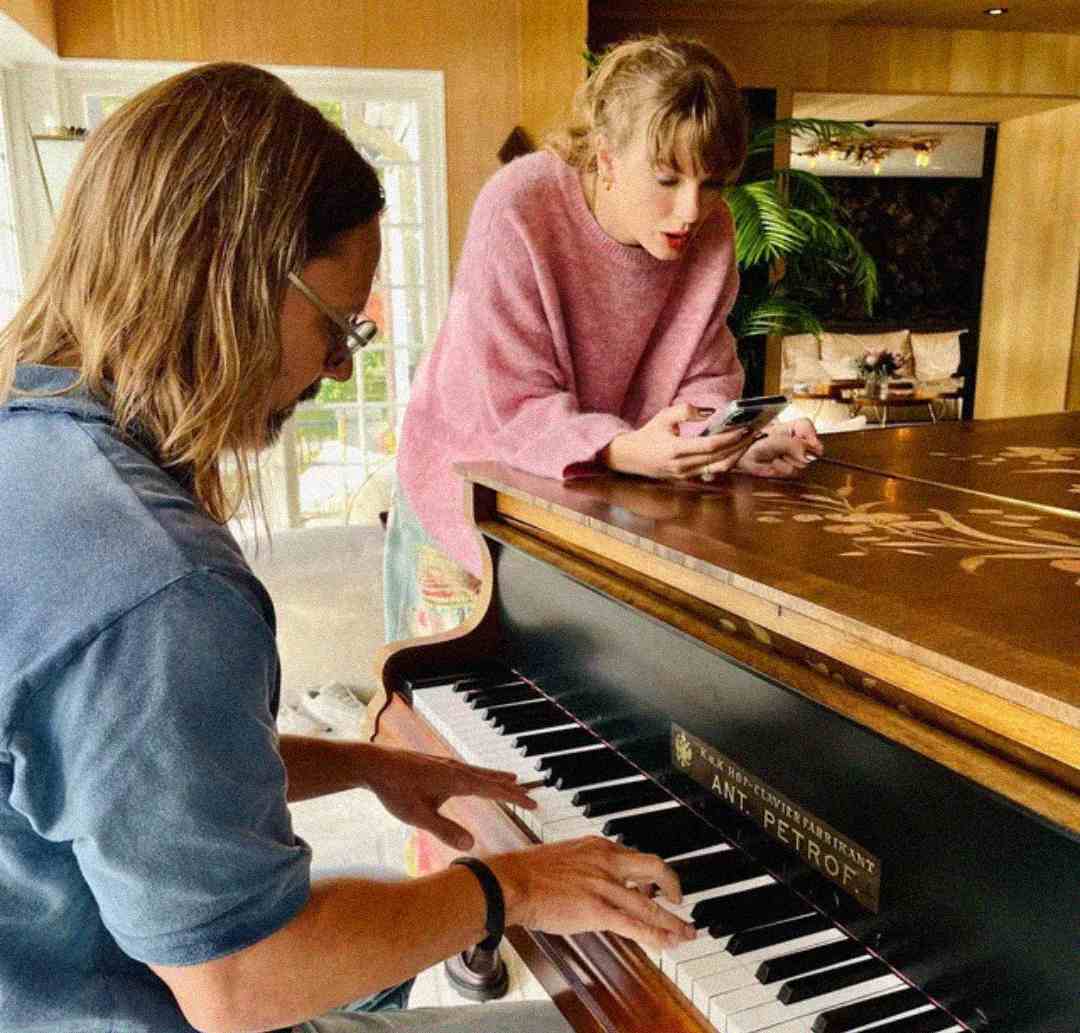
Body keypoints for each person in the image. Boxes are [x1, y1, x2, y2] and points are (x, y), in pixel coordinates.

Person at [0, 63, 696, 1033]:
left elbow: (113, 773)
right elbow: (241, 983)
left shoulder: (26, 437)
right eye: (337, 325)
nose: (335, 366)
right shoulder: (156, 581)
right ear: (230, 278)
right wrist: (513, 886)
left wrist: (366, 765)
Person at [384, 34, 823, 644]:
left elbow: (703, 373)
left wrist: (724, 442)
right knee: (446, 717)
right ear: (605, 155)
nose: (692, 211)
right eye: (667, 178)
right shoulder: (518, 207)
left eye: (713, 182)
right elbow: (514, 406)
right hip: (465, 487)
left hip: (587, 490)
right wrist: (619, 450)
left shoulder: (710, 229)